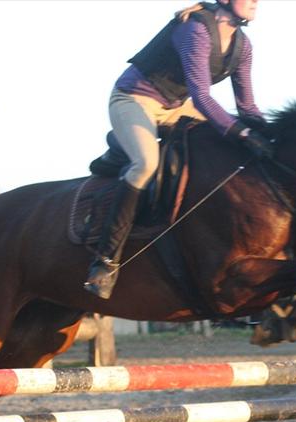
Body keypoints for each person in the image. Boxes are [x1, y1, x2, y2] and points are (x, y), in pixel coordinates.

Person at [84, 0, 273, 299]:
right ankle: (105, 262)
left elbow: (246, 107)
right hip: (134, 100)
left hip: (176, 107)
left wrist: (270, 134)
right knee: (146, 164)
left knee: (225, 145)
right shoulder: (196, 29)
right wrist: (242, 132)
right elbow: (201, 97)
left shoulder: (243, 46)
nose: (256, 2)